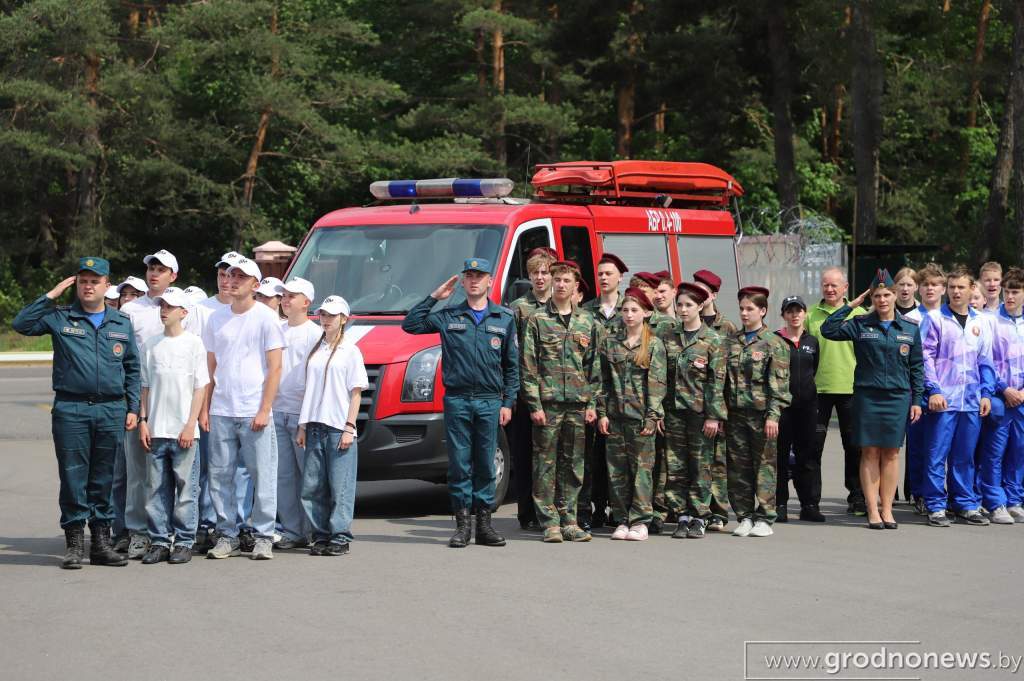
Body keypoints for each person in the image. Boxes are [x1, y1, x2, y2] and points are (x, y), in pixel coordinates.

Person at [12, 257, 138, 569]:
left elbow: (133, 367)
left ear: (107, 285)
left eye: (95, 280)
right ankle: (73, 546)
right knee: (73, 478)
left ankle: (100, 544)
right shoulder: (60, 317)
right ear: (76, 284)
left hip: (111, 408)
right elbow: (21, 324)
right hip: (72, 408)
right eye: (83, 280)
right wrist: (52, 294)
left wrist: (134, 406)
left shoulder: (121, 322)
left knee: (103, 479)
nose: (88, 285)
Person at [402, 258, 519, 548]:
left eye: (479, 276)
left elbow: (512, 367)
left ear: (490, 281)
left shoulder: (503, 318)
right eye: (469, 276)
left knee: (485, 464)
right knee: (459, 465)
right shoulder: (449, 315)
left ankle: (485, 526)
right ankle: (462, 526)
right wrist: (434, 297)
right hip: (458, 400)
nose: (474, 280)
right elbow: (411, 324)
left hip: (490, 401)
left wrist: (508, 402)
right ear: (464, 282)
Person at [821, 270, 925, 530]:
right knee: (869, 452)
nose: (882, 299)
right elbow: (828, 330)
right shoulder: (861, 324)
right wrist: (852, 306)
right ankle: (872, 509)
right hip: (867, 397)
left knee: (891, 453)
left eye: (886, 294)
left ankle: (887, 509)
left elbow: (917, 367)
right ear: (871, 298)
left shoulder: (910, 329)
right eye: (877, 295)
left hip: (898, 398)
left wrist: (917, 400)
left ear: (894, 296)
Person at [201, 256, 285, 559]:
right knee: (220, 475)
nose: (232, 281)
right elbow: (210, 367)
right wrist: (204, 408)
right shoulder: (216, 318)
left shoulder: (266, 317)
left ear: (255, 284)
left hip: (253, 409)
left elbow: (275, 368)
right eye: (229, 275)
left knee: (262, 474)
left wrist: (265, 409)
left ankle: (263, 534)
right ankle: (227, 534)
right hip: (222, 409)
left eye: (240, 276)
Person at [520, 260, 602, 543]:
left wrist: (592, 404)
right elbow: (528, 366)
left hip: (578, 405)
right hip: (549, 404)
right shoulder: (538, 320)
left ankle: (570, 519)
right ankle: (549, 522)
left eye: (566, 280)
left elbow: (594, 367)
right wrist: (535, 405)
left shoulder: (588, 322)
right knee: (545, 464)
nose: (560, 284)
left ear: (576, 286)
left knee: (573, 465)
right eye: (557, 279)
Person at [137, 287, 209, 563]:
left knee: (186, 489)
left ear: (184, 312)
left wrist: (191, 424)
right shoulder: (151, 344)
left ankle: (184, 540)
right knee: (155, 489)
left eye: (170, 306)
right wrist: (144, 421)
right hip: (156, 429)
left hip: (183, 431)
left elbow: (200, 387)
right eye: (161, 305)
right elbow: (144, 386)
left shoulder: (194, 344)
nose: (164, 310)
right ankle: (159, 541)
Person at [920, 267, 995, 527]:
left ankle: (964, 503)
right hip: (944, 399)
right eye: (952, 287)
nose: (955, 292)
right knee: (936, 454)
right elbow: (925, 357)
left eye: (961, 287)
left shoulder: (981, 322)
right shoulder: (934, 318)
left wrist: (986, 392)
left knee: (965, 456)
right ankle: (936, 505)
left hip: (972, 400)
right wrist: (934, 390)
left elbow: (986, 360)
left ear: (972, 289)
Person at [118, 249, 180, 559]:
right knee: (138, 473)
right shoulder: (131, 310)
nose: (154, 273)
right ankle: (138, 532)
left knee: (174, 472)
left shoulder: (182, 307)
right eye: (151, 268)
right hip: (139, 400)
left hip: (175, 403)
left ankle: (171, 532)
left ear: (173, 275)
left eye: (161, 269)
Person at [296, 295, 368, 556]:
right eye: (323, 314)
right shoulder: (315, 349)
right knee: (312, 485)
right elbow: (309, 390)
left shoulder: (351, 350)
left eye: (331, 315)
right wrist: (302, 426)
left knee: (340, 485)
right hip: (314, 424)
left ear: (343, 319)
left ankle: (340, 535)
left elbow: (356, 391)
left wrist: (350, 426)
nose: (325, 319)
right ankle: (321, 534)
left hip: (338, 425)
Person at [655, 282, 726, 538]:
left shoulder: (713, 340)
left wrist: (713, 415)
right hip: (673, 412)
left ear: (699, 306)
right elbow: (660, 376)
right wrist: (659, 411)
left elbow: (717, 381)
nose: (683, 310)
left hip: (700, 414)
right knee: (675, 465)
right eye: (680, 305)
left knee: (701, 465)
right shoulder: (668, 337)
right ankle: (681, 514)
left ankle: (699, 515)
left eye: (688, 305)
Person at [596, 287, 667, 541]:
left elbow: (657, 384)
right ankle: (622, 519)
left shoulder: (653, 344)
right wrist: (602, 412)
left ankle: (640, 520)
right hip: (615, 418)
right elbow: (602, 380)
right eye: (625, 310)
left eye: (634, 310)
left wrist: (652, 416)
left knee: (641, 471)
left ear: (646, 313)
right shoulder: (610, 343)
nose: (628, 314)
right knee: (617, 471)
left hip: (640, 419)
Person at [723, 286, 791, 538]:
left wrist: (774, 415)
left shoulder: (774, 343)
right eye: (741, 308)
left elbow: (780, 384)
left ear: (762, 311)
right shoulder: (732, 342)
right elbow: (722, 381)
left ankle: (764, 516)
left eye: (750, 309)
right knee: (738, 468)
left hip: (761, 415)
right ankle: (744, 516)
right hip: (735, 415)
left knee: (764, 466)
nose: (744, 313)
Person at [807, 266, 868, 516]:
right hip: (818, 389)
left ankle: (857, 496)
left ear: (845, 288)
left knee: (854, 447)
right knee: (814, 447)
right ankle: (811, 500)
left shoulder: (861, 313)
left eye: (835, 285)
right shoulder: (811, 314)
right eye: (825, 285)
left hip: (852, 388)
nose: (829, 289)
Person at [272, 277, 322, 549]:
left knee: (309, 476)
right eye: (284, 295)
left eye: (292, 295)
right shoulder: (276, 329)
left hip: (303, 415)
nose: (286, 299)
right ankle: (293, 530)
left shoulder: (315, 334)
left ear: (306, 302)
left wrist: (306, 417)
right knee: (284, 476)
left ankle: (315, 529)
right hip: (277, 411)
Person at [508, 246, 556, 531]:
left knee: (550, 455)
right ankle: (526, 511)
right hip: (527, 391)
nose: (540, 278)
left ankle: (550, 509)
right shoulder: (518, 308)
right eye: (535, 273)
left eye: (545, 273)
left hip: (555, 391)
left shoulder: (560, 307)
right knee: (525, 453)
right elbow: (512, 352)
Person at [580, 252, 628, 529]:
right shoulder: (586, 311)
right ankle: (591, 508)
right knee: (591, 456)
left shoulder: (630, 310)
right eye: (600, 274)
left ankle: (616, 508)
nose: (604, 278)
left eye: (609, 273)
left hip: (623, 393)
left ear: (620, 277)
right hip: (593, 390)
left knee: (618, 456)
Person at [976, 267, 1024, 524]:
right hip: (1000, 396)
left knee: (1019, 451)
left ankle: (1015, 499)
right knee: (994, 452)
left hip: (1023, 398)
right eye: (1008, 292)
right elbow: (986, 359)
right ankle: (995, 502)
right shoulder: (990, 320)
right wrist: (1004, 388)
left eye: (1016, 292)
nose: (1010, 297)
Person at [692, 268, 736, 529]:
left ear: (714, 295)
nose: (698, 294)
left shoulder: (725, 327)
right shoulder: (684, 321)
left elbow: (728, 371)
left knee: (717, 460)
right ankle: (696, 508)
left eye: (704, 291)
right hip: (690, 403)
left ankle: (718, 511)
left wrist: (720, 411)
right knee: (694, 459)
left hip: (716, 404)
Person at [774, 295, 823, 523]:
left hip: (807, 407)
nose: (794, 315)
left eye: (798, 310)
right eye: (790, 311)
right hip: (782, 408)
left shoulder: (812, 341)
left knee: (807, 457)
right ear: (783, 315)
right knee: (780, 457)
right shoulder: (775, 340)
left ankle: (809, 504)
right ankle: (780, 504)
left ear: (805, 313)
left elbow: (814, 369)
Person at [905, 264, 946, 512]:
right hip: (918, 393)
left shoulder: (949, 316)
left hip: (948, 392)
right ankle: (920, 494)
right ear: (919, 288)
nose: (930, 288)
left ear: (943, 288)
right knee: (919, 447)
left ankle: (944, 495)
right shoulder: (909, 319)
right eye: (926, 284)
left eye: (934, 284)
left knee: (944, 449)